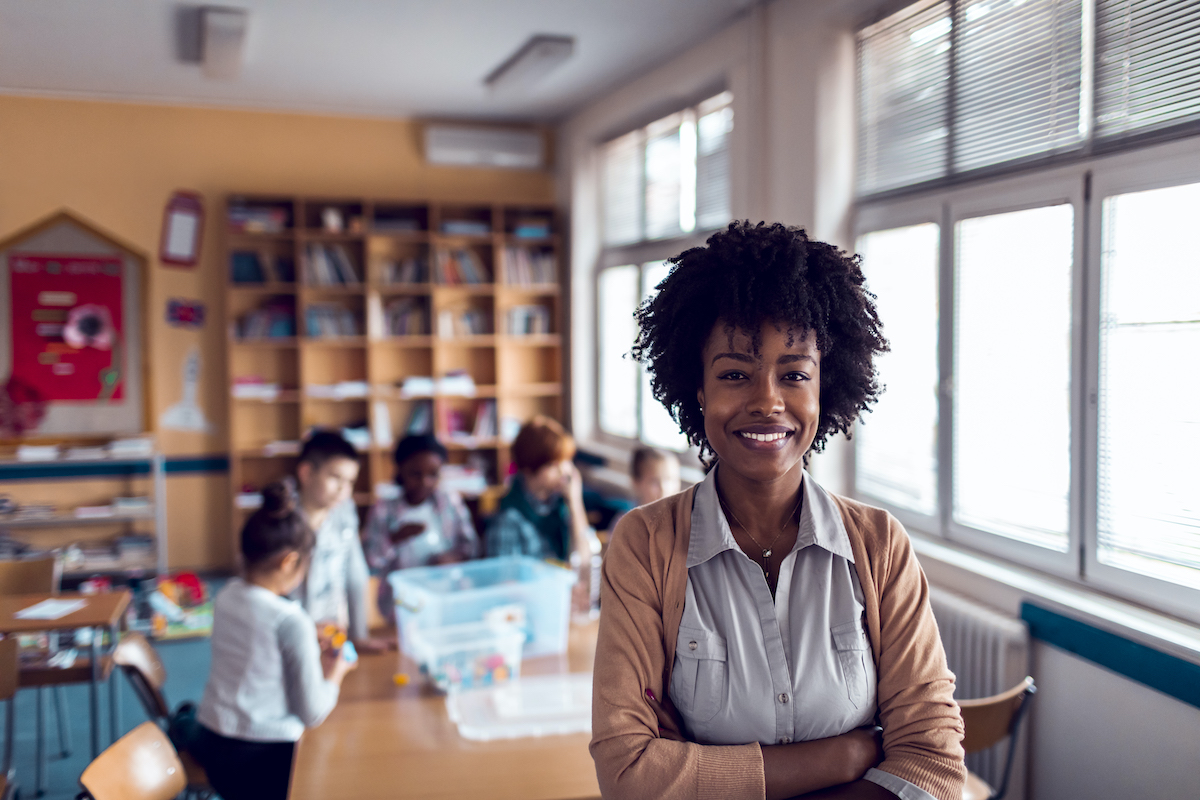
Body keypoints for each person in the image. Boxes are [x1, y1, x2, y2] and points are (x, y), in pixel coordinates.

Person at [590, 221, 965, 800]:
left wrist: (696, 772)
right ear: (698, 389)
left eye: (794, 374)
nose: (767, 401)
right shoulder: (645, 545)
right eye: (735, 374)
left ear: (824, 387)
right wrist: (850, 754)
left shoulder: (878, 545)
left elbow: (933, 764)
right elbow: (630, 773)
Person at [194, 482, 356, 800]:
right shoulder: (289, 621)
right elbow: (312, 713)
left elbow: (259, 630)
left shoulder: (226, 595)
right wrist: (338, 672)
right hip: (263, 762)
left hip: (213, 745)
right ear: (288, 562)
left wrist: (308, 633)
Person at [289, 430, 389, 654]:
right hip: (290, 635)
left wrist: (359, 635)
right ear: (306, 473)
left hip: (331, 633)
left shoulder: (344, 511)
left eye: (350, 481)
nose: (344, 490)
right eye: (335, 478)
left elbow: (355, 574)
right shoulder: (283, 521)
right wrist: (303, 631)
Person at [364, 434, 479, 617]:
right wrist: (394, 538)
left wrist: (451, 559)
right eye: (415, 474)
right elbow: (370, 563)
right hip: (401, 603)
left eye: (433, 474)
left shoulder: (449, 502)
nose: (425, 482)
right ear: (400, 470)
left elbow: (470, 547)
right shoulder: (383, 509)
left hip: (446, 596)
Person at [485, 415, 597, 565]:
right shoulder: (509, 518)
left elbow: (585, 561)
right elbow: (506, 580)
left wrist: (575, 503)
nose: (564, 471)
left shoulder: (562, 504)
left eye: (566, 461)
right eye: (552, 465)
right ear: (529, 469)